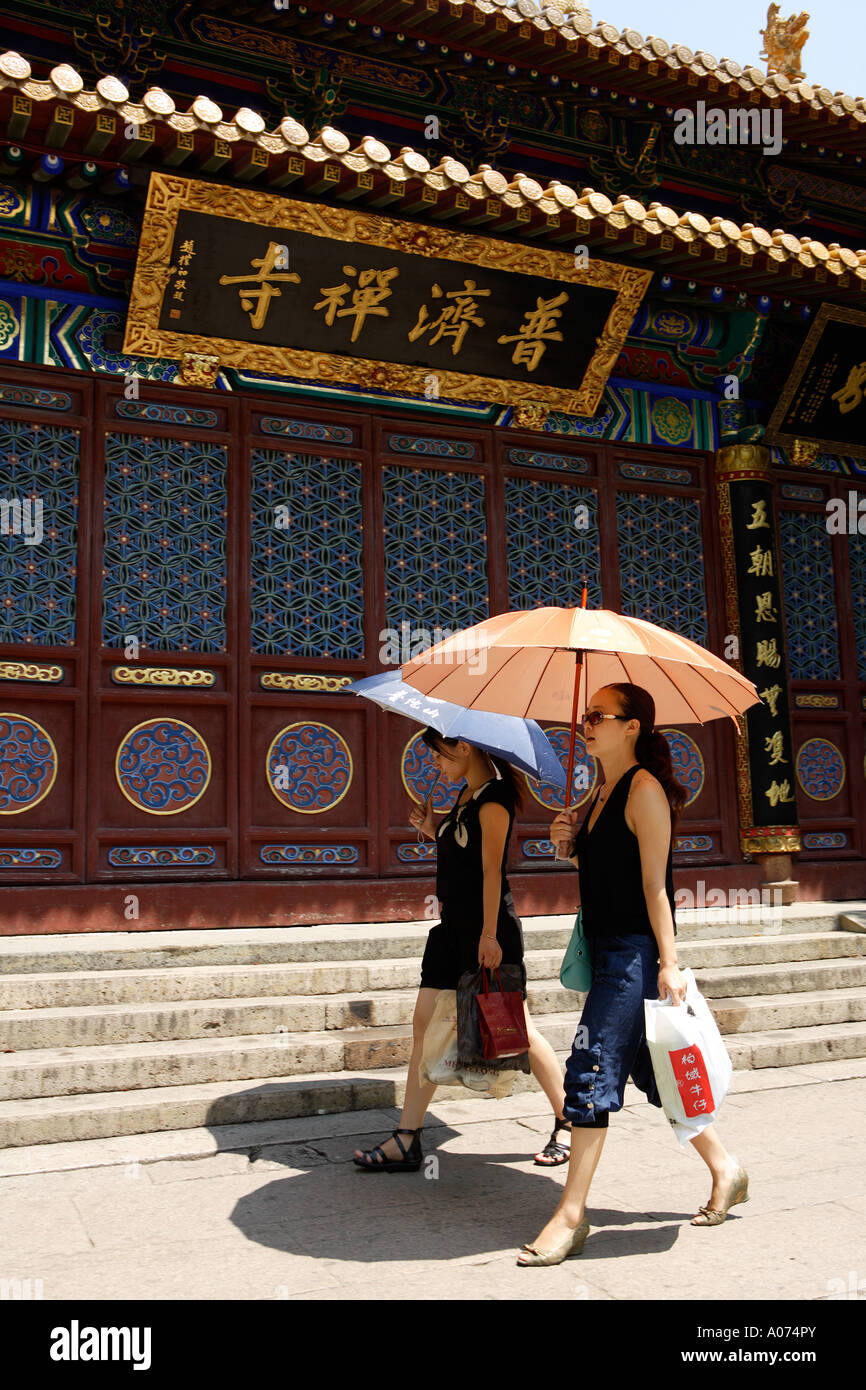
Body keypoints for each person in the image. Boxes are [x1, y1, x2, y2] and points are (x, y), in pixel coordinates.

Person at [517, 682, 749, 1265]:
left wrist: (669, 963)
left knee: (590, 1067)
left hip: (635, 956)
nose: (586, 723)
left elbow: (655, 885)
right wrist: (566, 845)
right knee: (652, 1072)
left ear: (632, 727)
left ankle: (571, 1216)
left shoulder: (643, 790)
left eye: (599, 715)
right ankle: (727, 1168)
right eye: (586, 714)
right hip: (605, 949)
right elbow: (606, 872)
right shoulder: (598, 791)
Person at [353, 728, 573, 1171]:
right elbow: (462, 853)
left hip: (486, 930)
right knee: (423, 1024)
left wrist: (489, 936)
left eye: (438, 754)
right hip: (451, 929)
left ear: (464, 746)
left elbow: (492, 871)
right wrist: (433, 827)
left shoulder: (494, 799)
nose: (435, 764)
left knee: (518, 1030)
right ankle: (407, 1137)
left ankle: (569, 1120)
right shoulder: (466, 795)